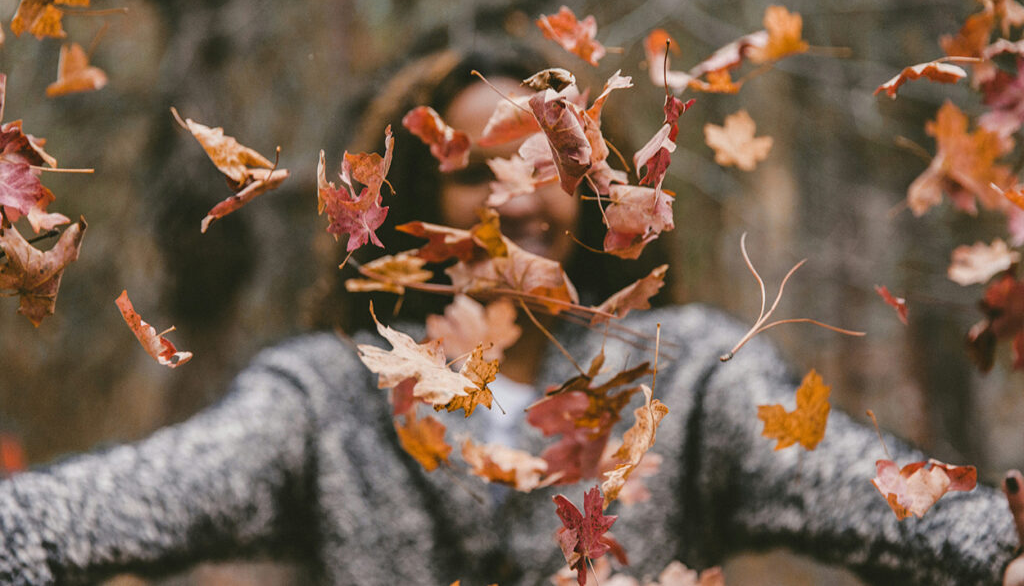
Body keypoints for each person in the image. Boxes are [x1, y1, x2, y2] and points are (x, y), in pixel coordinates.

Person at [0, 43, 1020, 586]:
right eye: (473, 175)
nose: (515, 197)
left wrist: (1001, 546)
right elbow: (120, 503)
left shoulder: (690, 376)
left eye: (545, 165)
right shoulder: (326, 399)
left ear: (589, 190)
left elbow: (869, 497)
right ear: (410, 205)